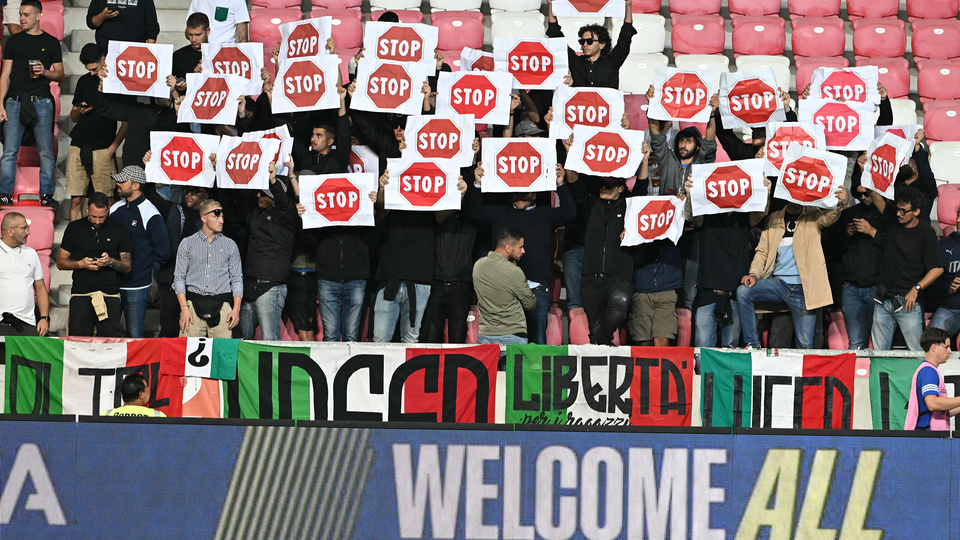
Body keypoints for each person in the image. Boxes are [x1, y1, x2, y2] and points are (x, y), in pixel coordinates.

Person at [467, 163, 575, 345]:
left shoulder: (545, 214)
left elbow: (569, 213)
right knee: (506, 343)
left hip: (537, 289)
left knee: (537, 343)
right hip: (503, 289)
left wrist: (560, 185)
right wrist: (477, 183)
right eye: (517, 192)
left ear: (535, 194)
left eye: (526, 192)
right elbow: (474, 211)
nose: (521, 196)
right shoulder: (500, 213)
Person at [737, 186, 849, 349]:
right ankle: (753, 345)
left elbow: (829, 217)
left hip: (804, 289)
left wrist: (839, 204)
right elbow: (762, 251)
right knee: (743, 292)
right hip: (779, 285)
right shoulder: (774, 218)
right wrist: (753, 274)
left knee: (805, 345)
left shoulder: (813, 215)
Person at [683, 177, 770, 348]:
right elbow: (692, 217)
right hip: (707, 295)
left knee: (731, 354)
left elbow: (761, 213)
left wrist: (766, 192)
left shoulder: (743, 216)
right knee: (702, 353)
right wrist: (689, 194)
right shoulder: (707, 214)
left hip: (734, 297)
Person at [858, 186, 943, 351]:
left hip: (909, 302)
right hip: (883, 298)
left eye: (903, 211)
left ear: (916, 211)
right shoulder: (892, 221)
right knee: (878, 354)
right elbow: (875, 196)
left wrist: (916, 288)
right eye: (898, 209)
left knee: (917, 352)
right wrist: (865, 173)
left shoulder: (926, 233)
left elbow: (937, 268)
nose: (898, 214)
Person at [0, 0, 63, 208]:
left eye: (26, 14)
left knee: (46, 151)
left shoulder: (51, 42)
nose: (21, 18)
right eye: (20, 14)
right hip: (15, 101)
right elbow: (5, 75)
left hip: (42, 101)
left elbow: (60, 74)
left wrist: (45, 72)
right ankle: (4, 193)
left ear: (38, 16)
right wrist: (1, 103)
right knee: (9, 151)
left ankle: (46, 194)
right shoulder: (13, 42)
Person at [57, 193, 132, 337]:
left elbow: (127, 266)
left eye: (102, 217)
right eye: (93, 216)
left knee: (109, 343)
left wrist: (110, 262)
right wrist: (81, 264)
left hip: (109, 294)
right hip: (81, 293)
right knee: (78, 342)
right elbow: (60, 262)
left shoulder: (119, 229)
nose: (97, 221)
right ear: (86, 209)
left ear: (108, 210)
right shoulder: (74, 228)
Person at [109, 165, 171, 337]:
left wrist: (143, 264)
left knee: (135, 334)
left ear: (136, 185)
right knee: (109, 333)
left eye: (123, 181)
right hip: (112, 283)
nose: (118, 184)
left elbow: (164, 250)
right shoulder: (115, 209)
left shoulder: (150, 213)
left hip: (137, 285)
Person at [240, 163, 299, 341]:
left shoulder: (287, 217)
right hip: (249, 284)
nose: (258, 195)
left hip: (271, 287)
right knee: (242, 341)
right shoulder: (257, 213)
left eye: (263, 193)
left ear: (273, 196)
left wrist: (273, 182)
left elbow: (285, 205)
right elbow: (241, 197)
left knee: (270, 339)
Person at [67, 43, 125, 222]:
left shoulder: (117, 82)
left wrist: (112, 148)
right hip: (78, 145)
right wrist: (79, 111)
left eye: (94, 69)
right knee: (76, 200)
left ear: (104, 59)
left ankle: (107, 236)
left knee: (107, 200)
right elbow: (73, 117)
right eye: (88, 70)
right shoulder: (83, 81)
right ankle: (76, 235)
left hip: (103, 148)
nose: (91, 73)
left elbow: (127, 120)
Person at [174, 199, 243, 338]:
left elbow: (237, 279)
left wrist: (236, 309)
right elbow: (179, 278)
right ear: (203, 218)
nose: (221, 220)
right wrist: (184, 308)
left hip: (223, 307)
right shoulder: (187, 244)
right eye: (216, 216)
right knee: (188, 350)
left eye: (222, 216)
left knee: (223, 351)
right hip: (192, 307)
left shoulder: (230, 245)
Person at [835, 182, 884, 350]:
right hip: (851, 288)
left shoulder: (886, 214)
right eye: (860, 194)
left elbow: (894, 246)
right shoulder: (849, 213)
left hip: (876, 287)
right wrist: (846, 234)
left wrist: (871, 231)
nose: (863, 197)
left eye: (867, 193)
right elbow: (833, 250)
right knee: (856, 344)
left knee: (881, 345)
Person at [546, 0, 635, 88]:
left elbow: (625, 39)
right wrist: (551, 5)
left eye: (589, 41)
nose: (585, 44)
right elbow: (556, 37)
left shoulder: (612, 62)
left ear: (602, 45)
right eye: (582, 41)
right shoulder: (575, 62)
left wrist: (628, 6)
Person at [473, 227, 537, 348]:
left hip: (485, 336)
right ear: (508, 248)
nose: (523, 251)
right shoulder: (514, 271)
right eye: (520, 247)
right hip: (512, 336)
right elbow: (530, 304)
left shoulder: (478, 265)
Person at [0, 212, 48, 336]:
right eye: (24, 228)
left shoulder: (31, 254)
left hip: (27, 324)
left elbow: (41, 288)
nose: (29, 232)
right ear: (10, 231)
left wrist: (44, 318)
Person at [904, 327, 960, 430]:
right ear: (934, 347)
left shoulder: (928, 370)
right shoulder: (928, 371)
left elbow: (943, 412)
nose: (950, 351)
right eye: (946, 347)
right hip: (926, 436)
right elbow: (932, 403)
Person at [85, 0, 159, 54]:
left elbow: (152, 26)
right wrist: (102, 16)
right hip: (106, 50)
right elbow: (91, 23)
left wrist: (148, 52)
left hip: (135, 51)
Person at [931, 206, 960, 340]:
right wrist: (948, 288)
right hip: (950, 308)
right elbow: (933, 284)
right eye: (958, 215)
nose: (958, 220)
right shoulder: (943, 245)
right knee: (933, 339)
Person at [170, 12, 209, 89]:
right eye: (190, 35)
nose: (193, 39)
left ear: (208, 31)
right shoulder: (178, 56)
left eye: (198, 35)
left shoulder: (217, 54)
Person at [102, 374, 166, 417]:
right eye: (146, 387)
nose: (148, 389)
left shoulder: (106, 415)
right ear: (141, 394)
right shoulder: (158, 416)